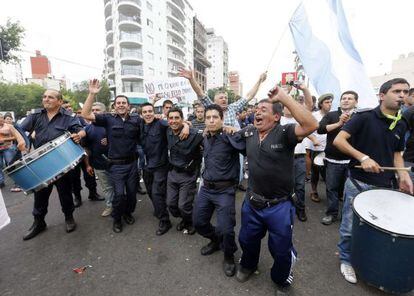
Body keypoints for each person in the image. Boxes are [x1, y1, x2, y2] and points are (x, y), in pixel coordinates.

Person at [235, 86, 318, 295]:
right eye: (257, 109)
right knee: (246, 239)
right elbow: (228, 135)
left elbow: (311, 124)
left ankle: (281, 279)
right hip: (252, 203)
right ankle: (248, 265)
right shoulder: (250, 132)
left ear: (276, 117)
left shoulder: (286, 133)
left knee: (281, 249)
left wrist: (284, 97)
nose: (258, 112)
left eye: (264, 109)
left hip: (279, 206)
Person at [333, 78, 412, 284]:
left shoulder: (402, 122)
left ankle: (367, 259)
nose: (402, 95)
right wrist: (363, 157)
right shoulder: (364, 117)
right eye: (396, 91)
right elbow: (338, 140)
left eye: (405, 91)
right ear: (382, 95)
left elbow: (396, 154)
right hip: (359, 181)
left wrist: (403, 176)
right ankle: (346, 259)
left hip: (386, 184)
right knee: (350, 224)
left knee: (378, 226)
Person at [20, 89, 83, 240]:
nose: (46, 99)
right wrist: (24, 141)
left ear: (60, 101)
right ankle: (39, 222)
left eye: (50, 97)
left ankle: (69, 217)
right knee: (40, 195)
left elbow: (80, 130)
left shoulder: (68, 117)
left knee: (65, 193)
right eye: (44, 97)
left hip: (62, 162)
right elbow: (20, 129)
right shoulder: (35, 115)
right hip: (41, 164)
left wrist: (79, 135)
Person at [193, 104, 246, 277]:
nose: (211, 120)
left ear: (222, 119)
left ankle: (229, 255)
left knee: (226, 229)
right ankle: (215, 241)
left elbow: (248, 140)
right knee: (199, 223)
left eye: (215, 117)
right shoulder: (206, 136)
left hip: (225, 191)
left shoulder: (230, 135)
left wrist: (234, 131)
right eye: (208, 117)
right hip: (206, 189)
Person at [82, 79, 140, 233]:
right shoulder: (107, 119)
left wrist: (187, 125)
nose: (121, 105)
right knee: (119, 195)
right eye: (118, 103)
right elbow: (85, 114)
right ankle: (117, 219)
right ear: (114, 106)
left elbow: (154, 120)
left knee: (132, 195)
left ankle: (127, 213)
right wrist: (92, 94)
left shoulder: (136, 120)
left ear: (128, 106)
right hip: (116, 166)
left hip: (133, 164)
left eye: (124, 103)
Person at [140, 102, 189, 235]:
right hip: (146, 166)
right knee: (150, 192)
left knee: (157, 193)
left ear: (154, 112)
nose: (148, 114)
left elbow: (176, 124)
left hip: (160, 166)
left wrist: (185, 126)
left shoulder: (161, 124)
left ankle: (164, 220)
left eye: (150, 111)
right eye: (145, 112)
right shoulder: (139, 124)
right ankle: (159, 209)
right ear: (141, 114)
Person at [317, 91, 358, 225]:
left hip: (353, 162)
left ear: (356, 102)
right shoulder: (331, 115)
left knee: (349, 191)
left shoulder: (360, 117)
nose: (346, 100)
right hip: (333, 160)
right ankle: (332, 213)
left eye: (349, 98)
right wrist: (339, 123)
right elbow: (320, 129)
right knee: (332, 188)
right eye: (343, 98)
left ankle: (348, 217)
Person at [166, 107, 203, 234]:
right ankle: (184, 218)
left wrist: (187, 126)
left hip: (188, 174)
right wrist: (186, 124)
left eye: (177, 118)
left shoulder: (194, 134)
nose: (174, 121)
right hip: (172, 173)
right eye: (171, 118)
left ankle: (189, 222)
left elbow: (208, 132)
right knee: (171, 204)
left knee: (183, 205)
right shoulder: (167, 131)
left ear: (182, 119)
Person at [80, 102, 114, 217]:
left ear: (104, 112)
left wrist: (109, 140)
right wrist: (88, 165)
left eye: (97, 110)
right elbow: (86, 149)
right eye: (92, 109)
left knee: (119, 187)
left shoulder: (111, 125)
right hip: (99, 165)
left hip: (116, 164)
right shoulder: (87, 129)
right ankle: (110, 206)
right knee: (107, 188)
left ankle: (121, 206)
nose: (94, 111)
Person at [307, 94, 332, 202]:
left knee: (329, 174)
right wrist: (313, 140)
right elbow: (308, 130)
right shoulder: (314, 115)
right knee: (315, 172)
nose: (329, 104)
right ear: (321, 104)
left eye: (331, 102)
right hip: (317, 149)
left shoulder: (333, 115)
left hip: (330, 149)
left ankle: (332, 194)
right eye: (327, 102)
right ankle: (314, 191)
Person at [0, 113, 26, 189]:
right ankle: (1, 182)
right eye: (0, 118)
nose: (1, 119)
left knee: (11, 165)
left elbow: (16, 137)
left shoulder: (9, 126)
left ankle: (18, 182)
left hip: (8, 148)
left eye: (2, 117)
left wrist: (4, 139)